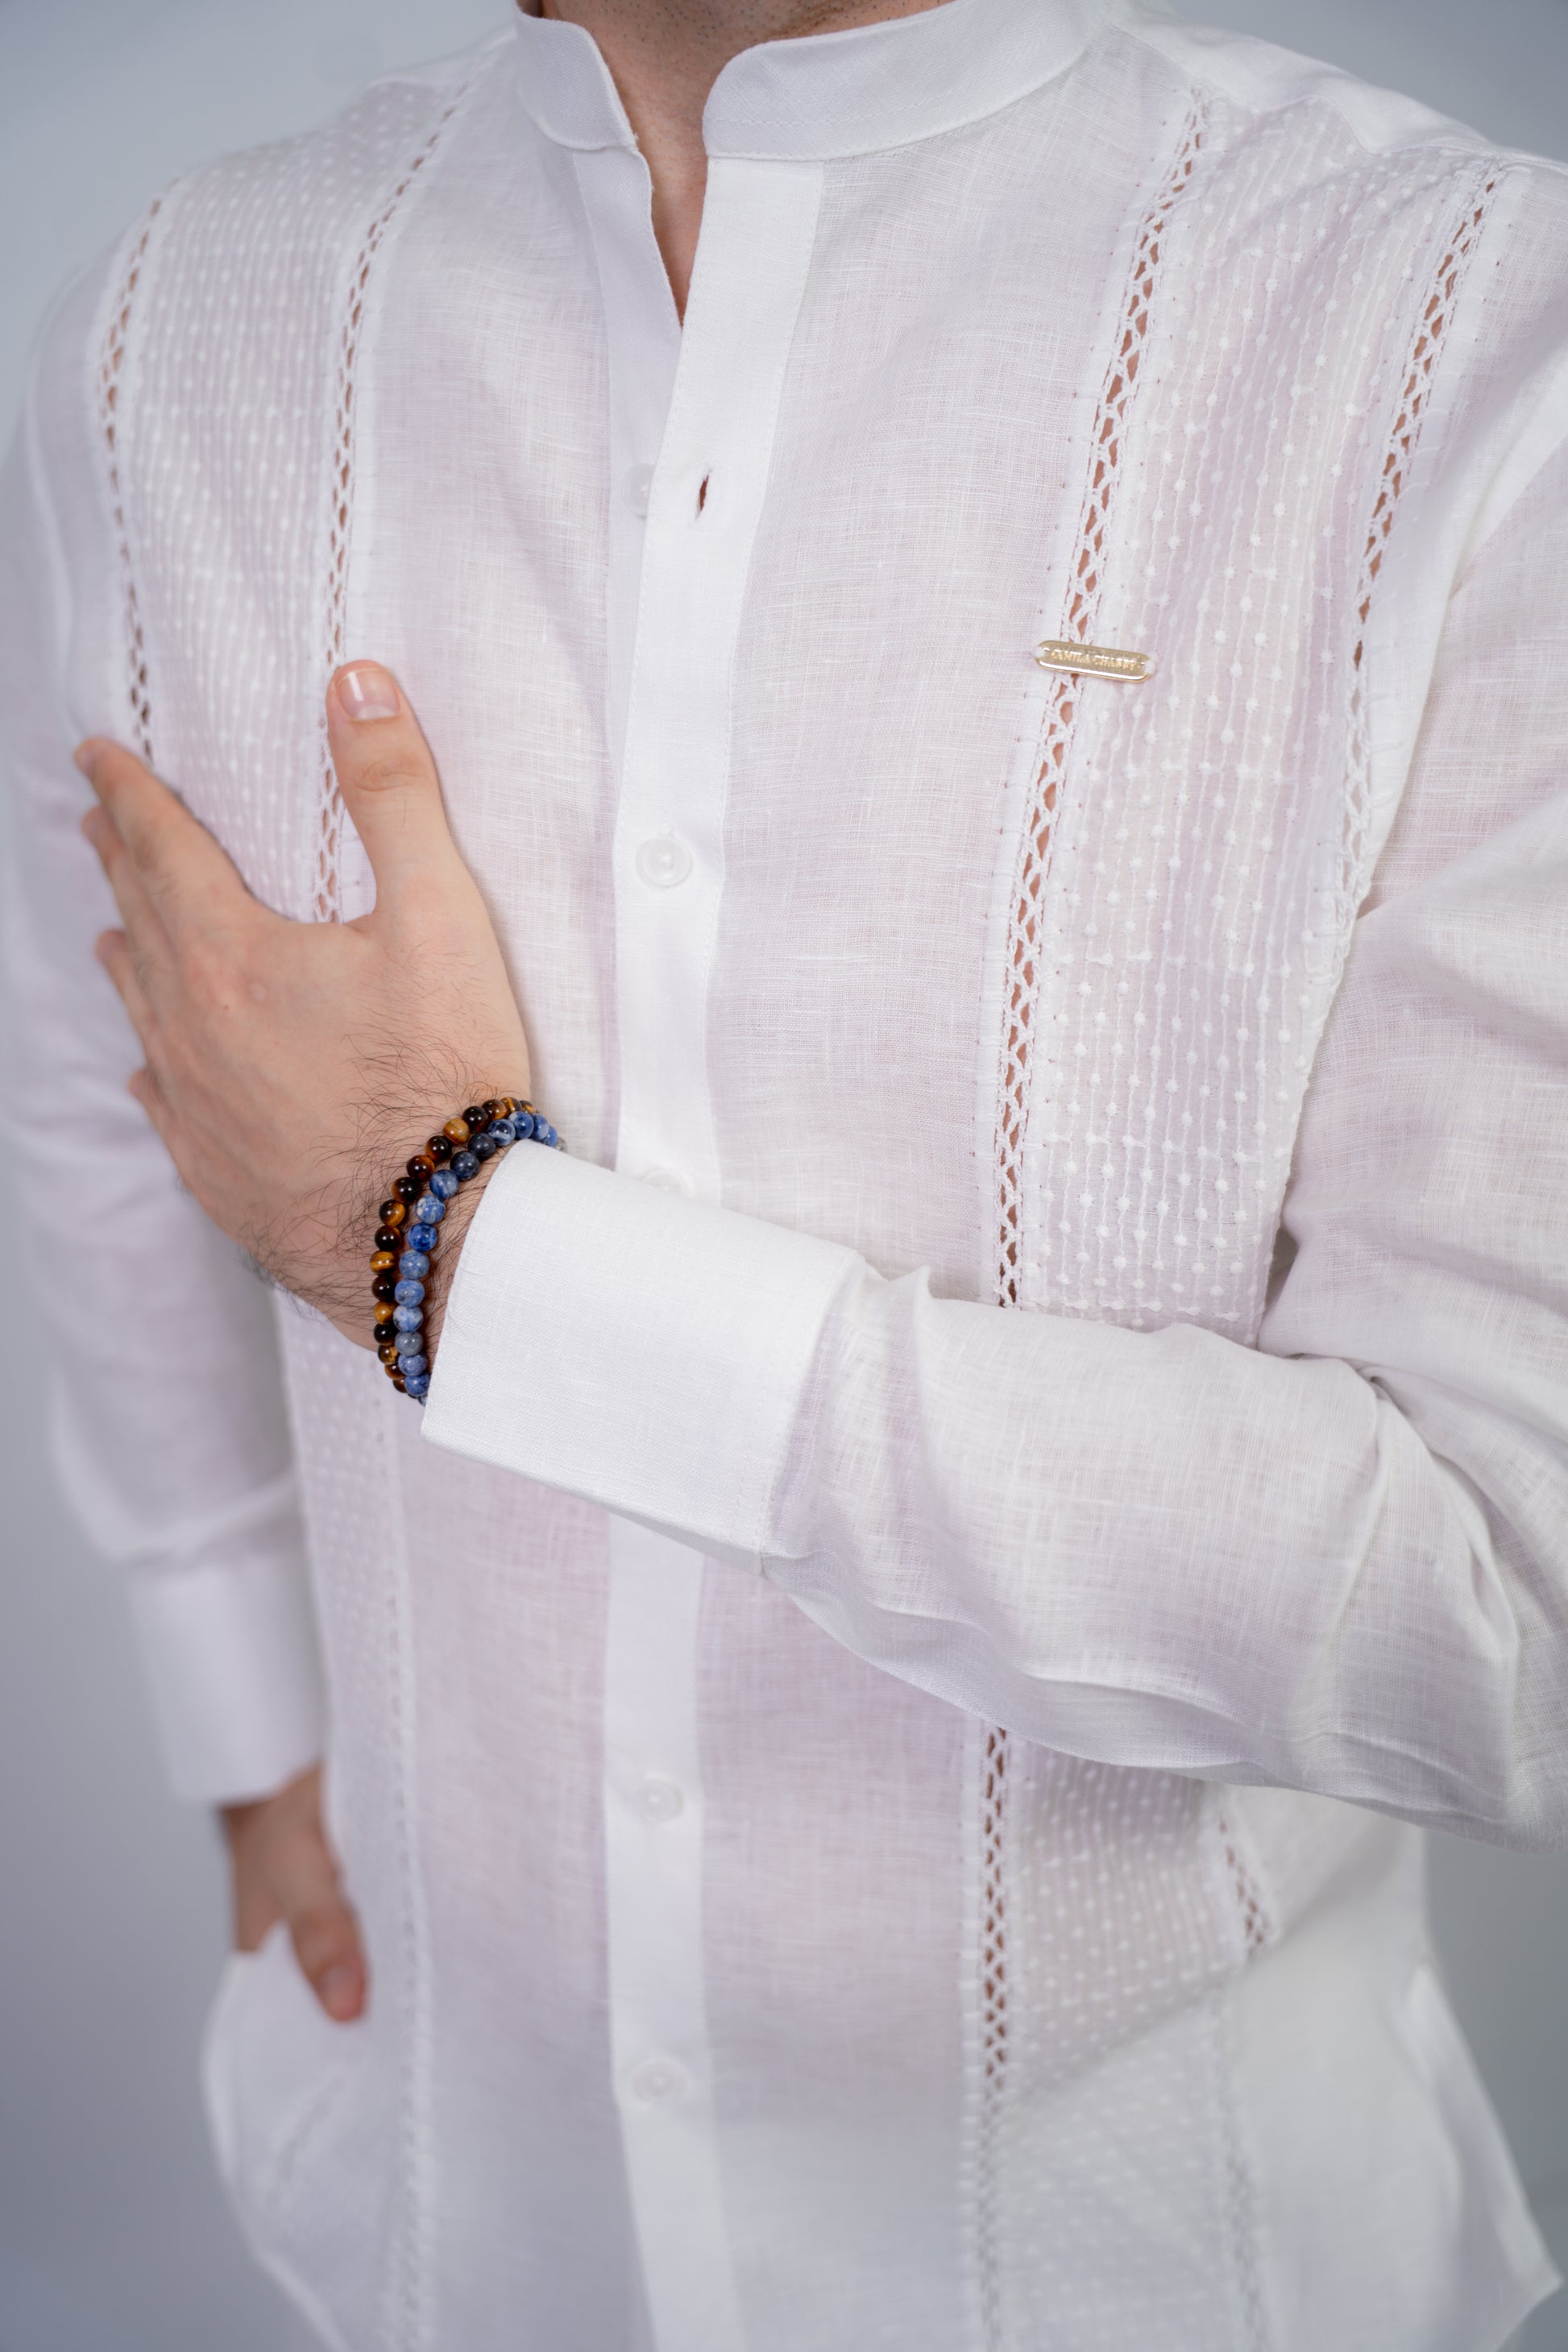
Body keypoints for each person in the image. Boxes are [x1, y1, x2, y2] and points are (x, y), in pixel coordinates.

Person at [3, 0, 1567, 2341]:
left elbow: (1508, 1606)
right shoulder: (170, 320)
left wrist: (453, 1243)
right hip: (451, 2207)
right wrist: (238, 1704)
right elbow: (102, 1057)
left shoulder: (1473, 334)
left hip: (1164, 2260)